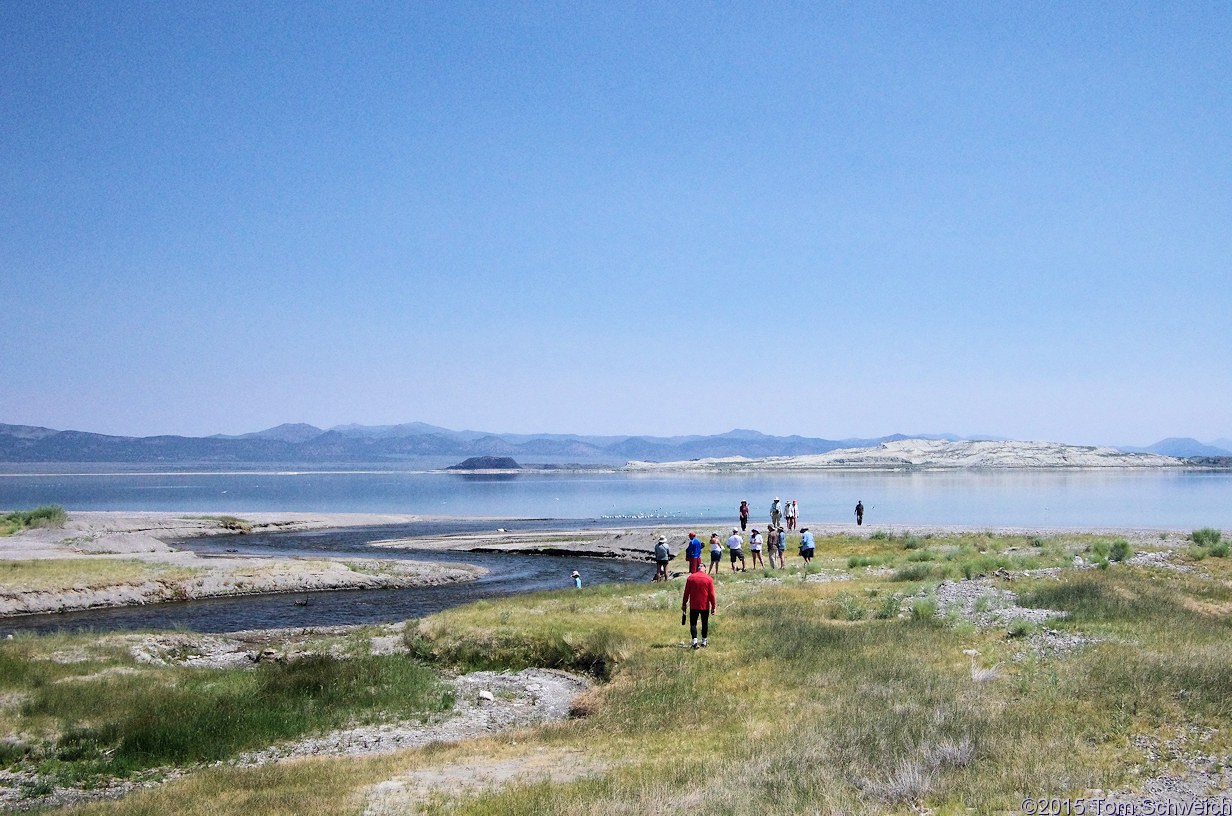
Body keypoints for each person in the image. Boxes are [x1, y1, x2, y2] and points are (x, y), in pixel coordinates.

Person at [681, 567, 717, 649]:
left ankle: (695, 642)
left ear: (698, 569)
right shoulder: (709, 579)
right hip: (705, 605)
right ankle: (704, 642)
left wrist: (684, 604)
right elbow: (711, 594)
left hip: (694, 605)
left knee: (693, 623)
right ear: (705, 570)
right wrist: (713, 606)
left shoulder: (691, 578)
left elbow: (686, 592)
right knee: (705, 623)